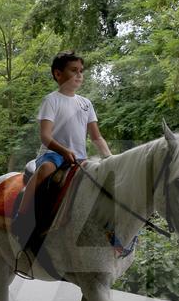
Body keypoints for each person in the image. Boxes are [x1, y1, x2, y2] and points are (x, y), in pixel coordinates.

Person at [13, 51, 112, 245]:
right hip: (53, 154)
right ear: (58, 74)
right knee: (45, 171)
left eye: (81, 71)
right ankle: (22, 217)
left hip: (80, 158)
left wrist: (109, 157)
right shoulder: (51, 100)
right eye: (73, 70)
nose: (79, 75)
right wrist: (64, 152)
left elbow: (96, 137)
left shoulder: (86, 103)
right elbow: (45, 136)